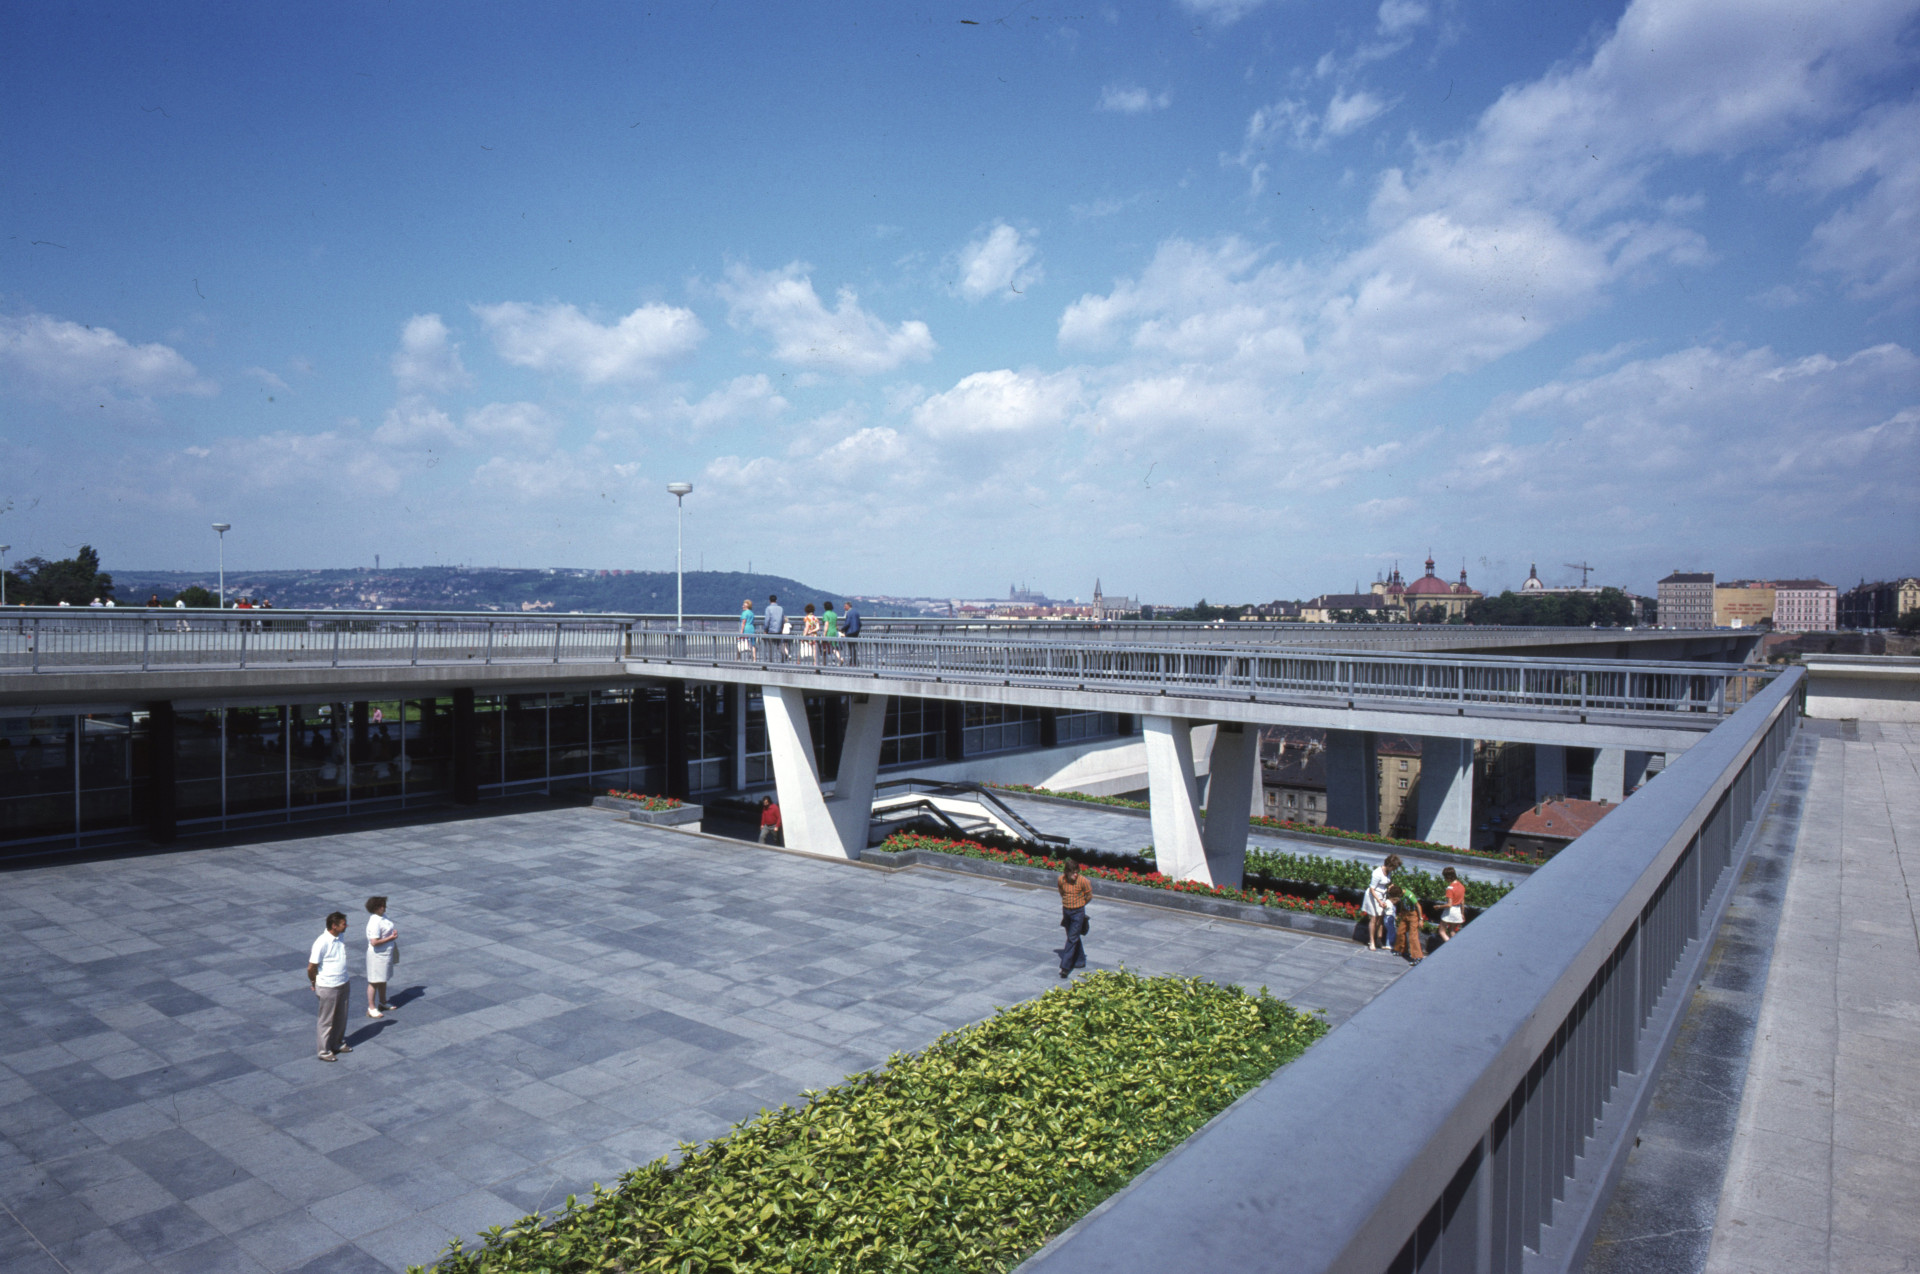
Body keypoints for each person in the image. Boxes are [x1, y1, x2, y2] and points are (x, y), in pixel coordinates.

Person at [306, 911, 353, 1061]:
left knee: (341, 1016)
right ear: (334, 926)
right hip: (328, 986)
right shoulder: (321, 942)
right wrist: (314, 982)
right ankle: (324, 1051)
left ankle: (337, 1043)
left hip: (343, 982)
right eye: (343, 924)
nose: (347, 926)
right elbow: (311, 967)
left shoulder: (340, 936)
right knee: (326, 1020)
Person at [1057, 859, 1092, 978]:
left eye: (1077, 872)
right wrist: (1069, 902)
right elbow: (1061, 892)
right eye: (1073, 872)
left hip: (1078, 912)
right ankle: (1080, 960)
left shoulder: (1083, 881)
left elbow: (1089, 896)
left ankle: (1065, 967)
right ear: (1067, 872)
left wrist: (1080, 904)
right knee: (1073, 936)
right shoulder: (1061, 879)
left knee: (1072, 938)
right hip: (1066, 910)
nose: (1075, 875)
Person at [365, 896, 399, 1016]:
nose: (384, 908)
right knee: (374, 981)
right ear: (375, 908)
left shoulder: (383, 916)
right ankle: (371, 1007)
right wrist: (391, 938)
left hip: (386, 953)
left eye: (384, 905)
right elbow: (374, 942)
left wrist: (391, 934)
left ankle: (383, 1001)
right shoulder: (374, 922)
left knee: (383, 979)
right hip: (377, 956)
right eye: (381, 906)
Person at [1364, 854, 1401, 951]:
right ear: (1389, 865)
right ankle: (1371, 941)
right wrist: (1379, 901)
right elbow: (1372, 889)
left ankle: (1379, 939)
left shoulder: (1388, 872)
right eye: (1394, 867)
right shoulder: (1377, 873)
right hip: (1373, 896)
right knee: (1374, 918)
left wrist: (1390, 886)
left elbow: (1388, 881)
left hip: (1382, 895)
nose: (1394, 870)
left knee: (1380, 918)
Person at [1389, 884, 1424, 962]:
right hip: (1405, 914)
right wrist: (1400, 913)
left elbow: (1418, 906)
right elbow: (1402, 903)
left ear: (1398, 895)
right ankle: (1402, 950)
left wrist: (1420, 919)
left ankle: (1417, 956)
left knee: (1412, 936)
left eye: (1395, 898)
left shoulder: (1409, 895)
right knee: (1400, 932)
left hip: (1413, 915)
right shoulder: (1400, 892)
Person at [1440, 867, 1466, 942]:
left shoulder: (1450, 888)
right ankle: (1455, 944)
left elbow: (1449, 904)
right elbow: (1462, 902)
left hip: (1450, 911)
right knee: (1452, 930)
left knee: (1442, 931)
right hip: (1458, 910)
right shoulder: (1461, 886)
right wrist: (1462, 913)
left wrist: (1438, 906)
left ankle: (1449, 945)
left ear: (1448, 877)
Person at [763, 595, 786, 662]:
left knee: (770, 647)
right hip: (779, 630)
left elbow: (767, 620)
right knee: (779, 646)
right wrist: (781, 628)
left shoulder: (768, 608)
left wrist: (765, 629)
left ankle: (770, 660)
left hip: (771, 630)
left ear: (769, 600)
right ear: (776, 600)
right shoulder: (781, 608)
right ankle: (783, 659)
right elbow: (783, 620)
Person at [840, 599, 862, 666]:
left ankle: (853, 661)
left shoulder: (849, 613)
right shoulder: (856, 612)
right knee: (854, 647)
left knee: (851, 647)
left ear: (848, 606)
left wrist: (842, 630)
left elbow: (847, 623)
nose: (844, 608)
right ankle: (854, 661)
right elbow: (860, 623)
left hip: (850, 632)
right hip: (856, 631)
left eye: (845, 606)